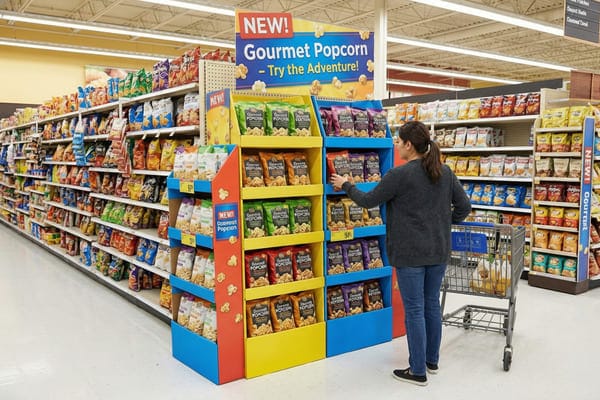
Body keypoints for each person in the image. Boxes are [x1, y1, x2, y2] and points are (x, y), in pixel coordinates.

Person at [330, 121, 471, 386]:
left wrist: (347, 184)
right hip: (438, 250)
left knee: (415, 309)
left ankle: (417, 371)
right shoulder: (445, 172)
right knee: (431, 306)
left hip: (410, 254)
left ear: (408, 145)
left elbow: (367, 201)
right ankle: (431, 361)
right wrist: (443, 222)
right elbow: (464, 206)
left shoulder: (399, 174)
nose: (396, 144)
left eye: (398, 140)